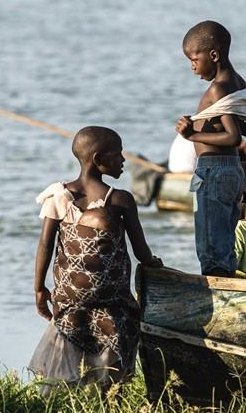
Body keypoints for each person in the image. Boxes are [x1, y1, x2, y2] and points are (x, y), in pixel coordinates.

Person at [30, 126, 163, 392]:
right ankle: (111, 394)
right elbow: (140, 251)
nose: (124, 160)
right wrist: (153, 264)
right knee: (116, 332)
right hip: (112, 298)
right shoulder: (121, 200)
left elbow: (45, 245)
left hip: (71, 297)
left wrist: (39, 288)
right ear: (98, 159)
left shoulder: (59, 197)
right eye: (118, 154)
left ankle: (74, 395)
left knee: (71, 339)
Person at [175, 20, 246, 277]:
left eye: (194, 59)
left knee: (211, 248)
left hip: (213, 172)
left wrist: (193, 134)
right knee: (224, 243)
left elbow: (234, 137)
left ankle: (219, 296)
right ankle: (228, 287)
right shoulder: (239, 83)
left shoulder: (218, 88)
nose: (192, 67)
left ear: (213, 55)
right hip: (232, 171)